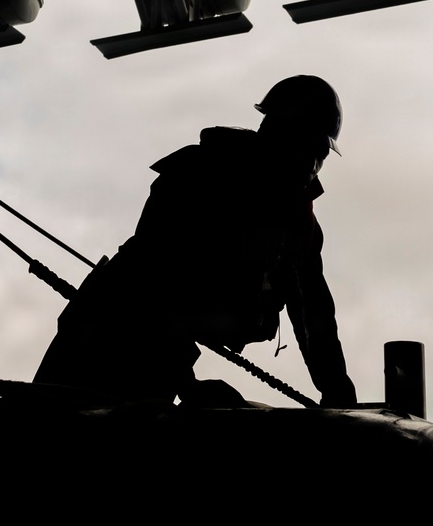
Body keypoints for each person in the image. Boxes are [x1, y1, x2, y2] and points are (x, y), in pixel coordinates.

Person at [34, 76, 357, 408]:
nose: (313, 165)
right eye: (306, 146)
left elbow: (313, 312)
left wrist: (339, 393)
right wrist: (187, 384)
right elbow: (152, 285)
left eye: (321, 153)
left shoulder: (297, 226)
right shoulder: (198, 177)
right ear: (275, 133)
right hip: (101, 336)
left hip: (157, 357)